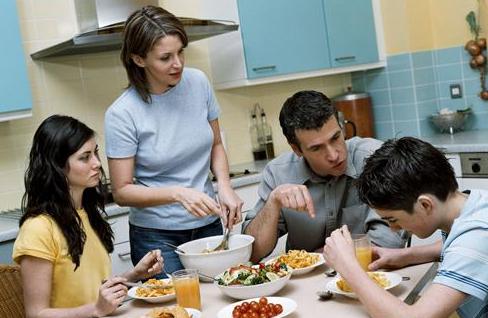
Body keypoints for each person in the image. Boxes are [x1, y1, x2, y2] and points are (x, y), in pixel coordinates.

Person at [104, 5, 243, 275]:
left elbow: (215, 143)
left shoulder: (199, 83)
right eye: (165, 57)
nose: (178, 63)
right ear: (139, 59)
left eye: (181, 52)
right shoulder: (122, 114)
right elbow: (121, 191)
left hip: (209, 225)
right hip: (156, 237)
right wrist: (177, 193)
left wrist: (224, 185)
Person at [12, 115, 163, 318]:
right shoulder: (38, 228)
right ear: (56, 165)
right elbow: (36, 314)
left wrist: (134, 275)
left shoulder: (87, 214)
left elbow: (91, 293)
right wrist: (96, 310)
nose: (97, 164)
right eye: (85, 157)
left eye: (95, 153)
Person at [324, 137, 488, 318]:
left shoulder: (476, 236)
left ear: (425, 205)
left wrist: (348, 267)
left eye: (393, 220)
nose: (394, 229)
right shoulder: (473, 206)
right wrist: (405, 255)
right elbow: (461, 247)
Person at [243, 90, 406, 262]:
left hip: (370, 273)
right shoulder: (277, 173)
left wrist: (328, 257)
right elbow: (252, 252)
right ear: (297, 149)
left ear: (342, 127)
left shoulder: (374, 158)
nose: (333, 155)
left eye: (335, 137)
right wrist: (273, 203)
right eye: (317, 148)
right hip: (306, 284)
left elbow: (391, 240)